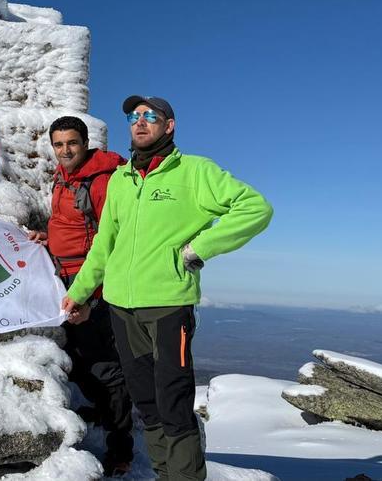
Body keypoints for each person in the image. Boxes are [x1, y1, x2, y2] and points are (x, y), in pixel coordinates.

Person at [62, 96, 272, 481]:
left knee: (173, 403)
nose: (140, 123)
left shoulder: (193, 172)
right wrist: (80, 292)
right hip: (121, 309)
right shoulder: (123, 180)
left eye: (150, 117)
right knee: (146, 402)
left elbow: (255, 208)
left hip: (167, 307)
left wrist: (200, 248)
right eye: (134, 117)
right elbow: (104, 244)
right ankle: (165, 474)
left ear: (169, 126)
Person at [29, 115, 133, 475]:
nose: (65, 150)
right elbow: (72, 225)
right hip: (64, 275)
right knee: (74, 355)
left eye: (71, 143)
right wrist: (49, 239)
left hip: (90, 284)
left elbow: (112, 241)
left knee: (104, 365)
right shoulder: (64, 177)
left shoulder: (103, 180)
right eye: (58, 144)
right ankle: (104, 413)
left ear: (86, 143)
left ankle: (121, 446)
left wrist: (91, 296)